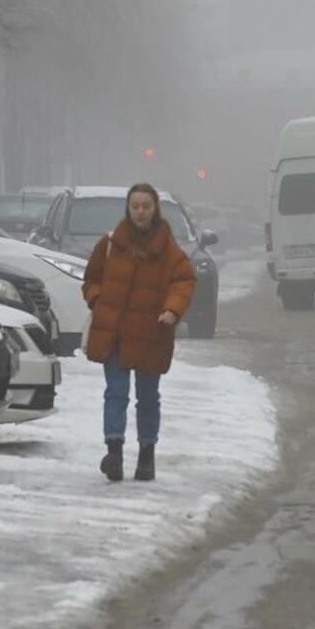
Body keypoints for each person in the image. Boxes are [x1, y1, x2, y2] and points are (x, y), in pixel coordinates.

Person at [81, 183, 196, 482]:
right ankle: (114, 452)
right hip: (115, 333)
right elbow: (91, 278)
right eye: (135, 206)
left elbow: (183, 281)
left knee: (147, 397)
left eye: (146, 206)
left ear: (155, 209)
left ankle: (146, 455)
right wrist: (98, 301)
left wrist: (172, 310)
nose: (141, 211)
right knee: (115, 393)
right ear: (128, 209)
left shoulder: (168, 250)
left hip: (150, 332)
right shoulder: (110, 244)